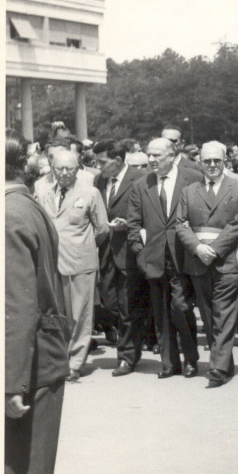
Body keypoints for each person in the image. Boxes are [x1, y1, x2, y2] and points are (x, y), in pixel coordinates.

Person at [5, 129, 70, 474]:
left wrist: (10, 384)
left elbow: (15, 307)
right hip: (42, 357)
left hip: (28, 367)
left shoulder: (8, 215)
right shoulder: (27, 206)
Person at [175, 141, 238, 388]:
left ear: (225, 161)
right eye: (207, 161)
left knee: (223, 314)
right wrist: (197, 247)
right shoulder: (189, 191)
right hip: (197, 262)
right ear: (201, 163)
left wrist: (215, 250)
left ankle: (217, 367)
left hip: (225, 261)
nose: (212, 165)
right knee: (208, 317)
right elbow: (181, 224)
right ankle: (224, 363)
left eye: (216, 161)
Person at [128, 138, 203, 380]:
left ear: (171, 156)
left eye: (156, 155)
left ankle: (191, 359)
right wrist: (141, 253)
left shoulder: (191, 178)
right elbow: (133, 225)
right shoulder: (141, 185)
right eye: (149, 155)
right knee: (160, 313)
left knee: (181, 307)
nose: (151, 160)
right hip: (154, 259)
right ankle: (170, 363)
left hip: (183, 257)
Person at [38, 150, 109, 383]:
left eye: (70, 168)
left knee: (80, 315)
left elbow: (103, 228)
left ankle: (75, 363)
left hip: (81, 262)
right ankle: (58, 359)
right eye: (60, 168)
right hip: (52, 263)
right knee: (57, 314)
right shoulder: (44, 192)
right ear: (52, 168)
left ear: (78, 167)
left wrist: (85, 245)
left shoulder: (90, 193)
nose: (65, 173)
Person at [93, 140, 148, 376]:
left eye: (102, 162)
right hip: (105, 252)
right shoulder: (99, 181)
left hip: (128, 251)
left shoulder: (140, 179)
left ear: (117, 161)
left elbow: (149, 213)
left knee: (127, 306)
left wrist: (131, 225)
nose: (98, 166)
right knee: (109, 303)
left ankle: (127, 356)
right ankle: (134, 342)